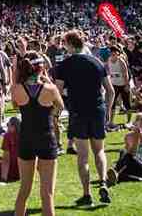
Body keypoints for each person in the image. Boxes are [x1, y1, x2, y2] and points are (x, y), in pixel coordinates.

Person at [52, 30, 114, 206]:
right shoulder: (97, 62)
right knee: (99, 151)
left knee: (83, 156)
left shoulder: (65, 65)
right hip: (97, 110)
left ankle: (87, 194)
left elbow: (57, 91)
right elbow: (110, 90)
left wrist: (56, 111)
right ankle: (103, 182)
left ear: (70, 44)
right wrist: (108, 111)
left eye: (65, 44)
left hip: (78, 112)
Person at [10, 51, 63, 216]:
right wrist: (48, 82)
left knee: (24, 190)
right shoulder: (50, 88)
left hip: (26, 138)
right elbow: (60, 106)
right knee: (47, 194)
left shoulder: (16, 89)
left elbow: (15, 106)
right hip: (46, 138)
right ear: (41, 69)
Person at [109, 113, 142, 184]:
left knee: (128, 156)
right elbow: (127, 156)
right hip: (130, 164)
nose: (140, 122)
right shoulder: (128, 137)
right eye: (139, 120)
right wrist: (136, 137)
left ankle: (116, 173)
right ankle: (118, 176)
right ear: (135, 123)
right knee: (123, 152)